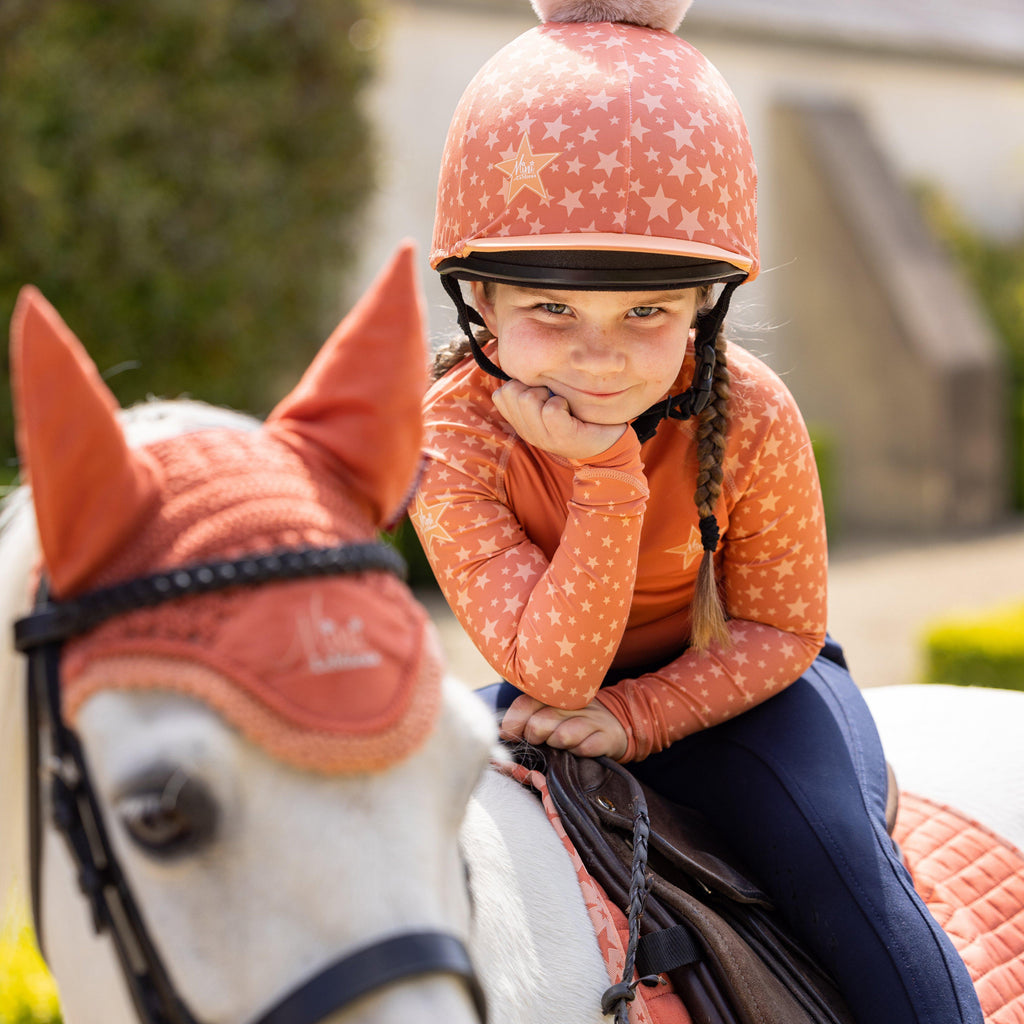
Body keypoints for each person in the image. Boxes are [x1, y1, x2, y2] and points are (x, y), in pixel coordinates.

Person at [409, 2, 984, 1021]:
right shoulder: (451, 434)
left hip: (748, 692)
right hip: (551, 694)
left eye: (647, 312)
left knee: (847, 878)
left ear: (700, 309)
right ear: (480, 301)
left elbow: (780, 627)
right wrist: (606, 487)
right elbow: (549, 671)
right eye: (550, 309)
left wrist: (604, 485)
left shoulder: (751, 408)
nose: (600, 351)